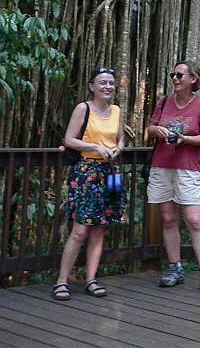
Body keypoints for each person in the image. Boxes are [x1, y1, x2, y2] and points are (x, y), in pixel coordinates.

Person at [146, 60, 200, 294]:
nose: (175, 79)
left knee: (195, 221)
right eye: (173, 75)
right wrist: (157, 131)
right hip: (162, 165)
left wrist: (186, 139)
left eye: (179, 75)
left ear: (193, 79)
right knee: (168, 219)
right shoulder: (164, 101)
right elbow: (150, 128)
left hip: (188, 167)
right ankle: (175, 267)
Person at [52, 67, 124, 301]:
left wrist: (117, 149)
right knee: (80, 229)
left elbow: (120, 138)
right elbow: (69, 139)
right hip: (86, 172)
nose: (108, 87)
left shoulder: (116, 111)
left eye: (111, 83)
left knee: (100, 228)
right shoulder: (83, 108)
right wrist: (95, 147)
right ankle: (62, 280)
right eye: (102, 83)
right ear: (92, 86)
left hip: (109, 172)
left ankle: (91, 279)